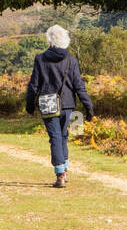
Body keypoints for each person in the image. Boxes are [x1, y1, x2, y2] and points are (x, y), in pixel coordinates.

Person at [25, 25, 94, 188]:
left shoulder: (40, 59)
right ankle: (65, 169)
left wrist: (29, 105)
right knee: (63, 136)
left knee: (55, 137)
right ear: (66, 41)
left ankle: (60, 174)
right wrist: (88, 107)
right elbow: (79, 86)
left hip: (48, 105)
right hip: (68, 105)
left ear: (49, 40)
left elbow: (34, 85)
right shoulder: (71, 61)